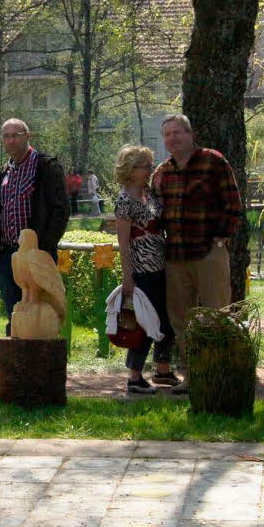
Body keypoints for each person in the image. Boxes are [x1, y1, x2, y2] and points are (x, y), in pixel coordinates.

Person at [153, 113, 242, 395]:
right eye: (167, 134)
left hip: (208, 252)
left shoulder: (213, 161)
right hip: (176, 256)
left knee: (217, 314)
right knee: (181, 320)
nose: (172, 139)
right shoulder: (162, 172)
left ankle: (219, 376)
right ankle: (193, 378)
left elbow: (233, 202)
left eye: (177, 132)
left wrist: (223, 236)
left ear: (190, 134)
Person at [0, 118, 70, 333]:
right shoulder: (3, 172)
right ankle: (14, 360)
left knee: (40, 314)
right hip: (8, 255)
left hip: (37, 254)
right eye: (6, 136)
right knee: (15, 311)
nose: (11, 140)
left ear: (27, 136)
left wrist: (44, 246)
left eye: (16, 135)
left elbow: (61, 209)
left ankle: (40, 362)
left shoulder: (45, 166)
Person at [113, 146, 179, 394]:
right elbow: (123, 242)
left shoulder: (149, 194)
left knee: (166, 316)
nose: (149, 170)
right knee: (143, 321)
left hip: (162, 263)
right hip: (142, 268)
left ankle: (162, 367)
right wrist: (127, 275)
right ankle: (134, 375)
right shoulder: (124, 201)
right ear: (131, 170)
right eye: (145, 166)